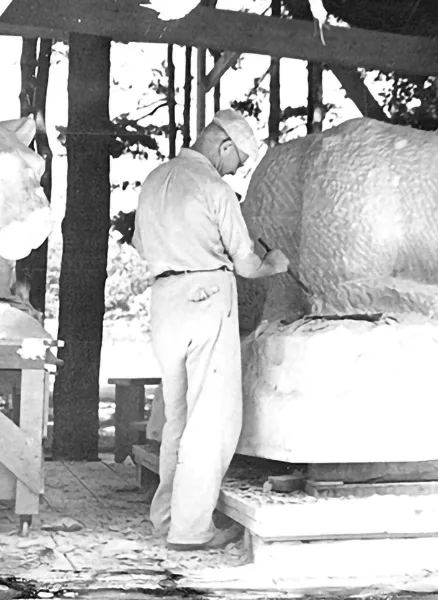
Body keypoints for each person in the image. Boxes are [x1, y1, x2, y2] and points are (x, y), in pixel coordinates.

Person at [133, 109, 290, 550]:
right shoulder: (213, 187)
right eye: (235, 161)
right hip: (205, 295)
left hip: (163, 300)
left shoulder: (155, 179)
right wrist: (273, 264)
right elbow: (245, 263)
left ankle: (166, 517)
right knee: (212, 419)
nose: (233, 171)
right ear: (223, 146)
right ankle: (190, 530)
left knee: (177, 415)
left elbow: (144, 245)